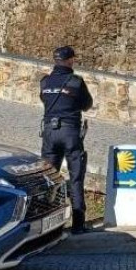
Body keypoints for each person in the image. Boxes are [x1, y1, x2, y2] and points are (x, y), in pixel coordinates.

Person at [40, 46, 94, 234]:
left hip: (49, 133)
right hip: (70, 132)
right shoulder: (76, 82)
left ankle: (48, 226)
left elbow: (44, 101)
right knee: (76, 177)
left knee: (48, 179)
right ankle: (78, 225)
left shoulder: (45, 82)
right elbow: (87, 104)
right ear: (70, 60)